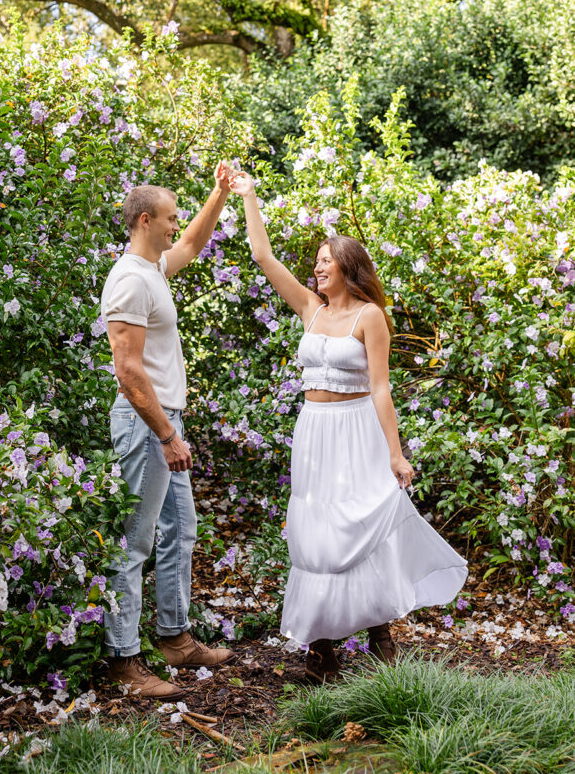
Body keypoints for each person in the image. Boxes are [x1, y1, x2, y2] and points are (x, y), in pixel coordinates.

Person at [229, 171, 468, 682]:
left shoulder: (369, 317)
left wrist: (396, 453)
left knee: (360, 528)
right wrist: (249, 197)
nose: (316, 268)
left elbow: (381, 388)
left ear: (348, 267)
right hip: (314, 431)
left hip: (356, 430)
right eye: (315, 261)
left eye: (324, 260)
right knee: (317, 534)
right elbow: (263, 258)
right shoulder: (310, 310)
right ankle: (323, 653)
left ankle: (382, 639)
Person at [101, 166, 235, 699]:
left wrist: (219, 194)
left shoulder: (153, 269)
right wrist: (165, 433)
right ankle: (123, 661)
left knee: (182, 529)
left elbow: (193, 243)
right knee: (134, 543)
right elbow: (128, 370)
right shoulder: (130, 278)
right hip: (144, 424)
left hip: (164, 422)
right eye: (170, 216)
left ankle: (175, 638)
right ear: (144, 220)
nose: (176, 224)